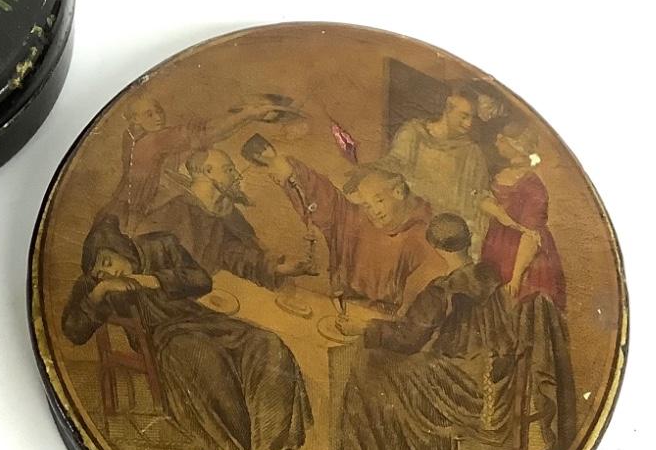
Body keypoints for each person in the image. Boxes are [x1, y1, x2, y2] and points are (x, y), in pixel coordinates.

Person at [61, 216, 311, 450]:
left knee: (267, 344)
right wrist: (99, 293)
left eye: (107, 261)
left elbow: (201, 280)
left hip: (204, 320)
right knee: (208, 362)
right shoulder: (98, 285)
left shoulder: (161, 244)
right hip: (167, 339)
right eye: (99, 272)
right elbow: (74, 331)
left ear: (120, 246)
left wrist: (151, 281)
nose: (107, 272)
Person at [304, 214, 517, 450]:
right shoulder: (491, 278)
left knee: (368, 364)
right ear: (468, 240)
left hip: (455, 385)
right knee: (387, 370)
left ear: (435, 247)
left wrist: (364, 328)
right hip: (488, 381)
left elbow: (407, 339)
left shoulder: (444, 288)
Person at [243, 135, 445, 312]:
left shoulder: (423, 237)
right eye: (367, 204)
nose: (374, 211)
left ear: (398, 192)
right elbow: (329, 203)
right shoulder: (360, 221)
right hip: (346, 309)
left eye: (380, 200)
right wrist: (294, 173)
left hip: (383, 323)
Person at [101, 94, 285, 234]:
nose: (158, 117)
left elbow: (205, 136)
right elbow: (207, 133)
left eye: (159, 111)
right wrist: (248, 114)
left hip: (135, 219)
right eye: (149, 114)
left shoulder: (141, 142)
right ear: (135, 120)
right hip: (124, 222)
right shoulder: (151, 142)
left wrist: (245, 117)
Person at [141, 148, 312, 288]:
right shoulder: (169, 212)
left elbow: (234, 254)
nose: (237, 175)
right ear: (208, 172)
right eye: (229, 170)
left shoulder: (224, 217)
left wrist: (277, 268)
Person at [379, 89, 490, 244]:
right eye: (464, 116)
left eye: (473, 118)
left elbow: (475, 204)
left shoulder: (472, 153)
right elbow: (392, 169)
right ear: (448, 108)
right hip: (410, 228)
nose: (469, 124)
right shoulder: (414, 134)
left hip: (447, 236)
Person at [479, 118, 566, 309]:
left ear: (516, 145)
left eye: (502, 139)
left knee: (520, 307)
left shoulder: (533, 186)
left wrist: (516, 277)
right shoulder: (502, 174)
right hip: (497, 249)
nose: (496, 142)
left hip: (524, 259)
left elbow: (531, 237)